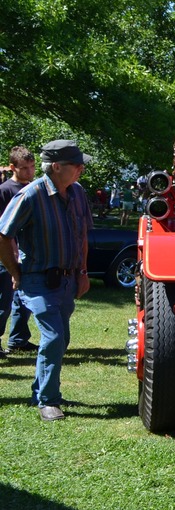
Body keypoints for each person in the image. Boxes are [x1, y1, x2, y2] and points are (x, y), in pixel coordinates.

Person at [0, 140, 94, 421]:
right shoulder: (30, 195)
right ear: (56, 167)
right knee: (54, 337)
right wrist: (15, 271)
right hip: (38, 280)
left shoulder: (77, 192)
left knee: (61, 339)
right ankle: (48, 401)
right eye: (76, 164)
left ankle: (39, 391)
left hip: (67, 280)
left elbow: (82, 235)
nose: (81, 168)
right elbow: (3, 235)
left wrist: (83, 272)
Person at [0, 146, 37, 355]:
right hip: (7, 254)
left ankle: (18, 339)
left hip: (28, 254)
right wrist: (12, 255)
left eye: (32, 167)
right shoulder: (5, 190)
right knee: (3, 301)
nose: (29, 172)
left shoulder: (33, 189)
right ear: (13, 167)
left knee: (24, 300)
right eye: (24, 168)